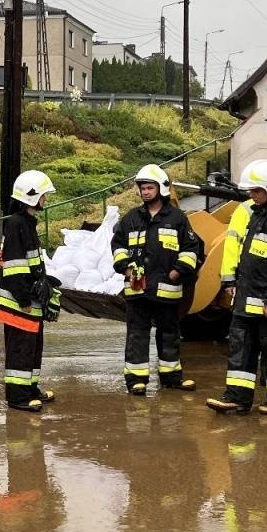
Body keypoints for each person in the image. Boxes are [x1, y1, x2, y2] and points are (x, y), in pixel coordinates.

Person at [208, 159, 267, 415]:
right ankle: (236, 397)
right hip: (248, 298)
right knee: (241, 348)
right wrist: (232, 282)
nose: (252, 195)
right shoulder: (259, 214)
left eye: (256, 191)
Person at [112, 164, 202, 395]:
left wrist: (178, 271)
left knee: (169, 334)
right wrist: (125, 268)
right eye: (142, 188)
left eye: (149, 188)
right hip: (137, 290)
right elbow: (118, 245)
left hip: (166, 289)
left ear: (161, 189)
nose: (145, 192)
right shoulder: (131, 218)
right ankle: (136, 380)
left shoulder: (177, 218)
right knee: (137, 334)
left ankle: (171, 378)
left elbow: (191, 248)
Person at [0, 169, 58, 412]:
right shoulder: (16, 224)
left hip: (29, 300)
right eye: (43, 195)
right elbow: (13, 267)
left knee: (33, 348)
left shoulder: (27, 223)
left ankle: (30, 388)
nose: (46, 200)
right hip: (19, 302)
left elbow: (30, 262)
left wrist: (44, 281)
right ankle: (18, 396)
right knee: (20, 350)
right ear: (32, 197)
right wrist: (24, 299)